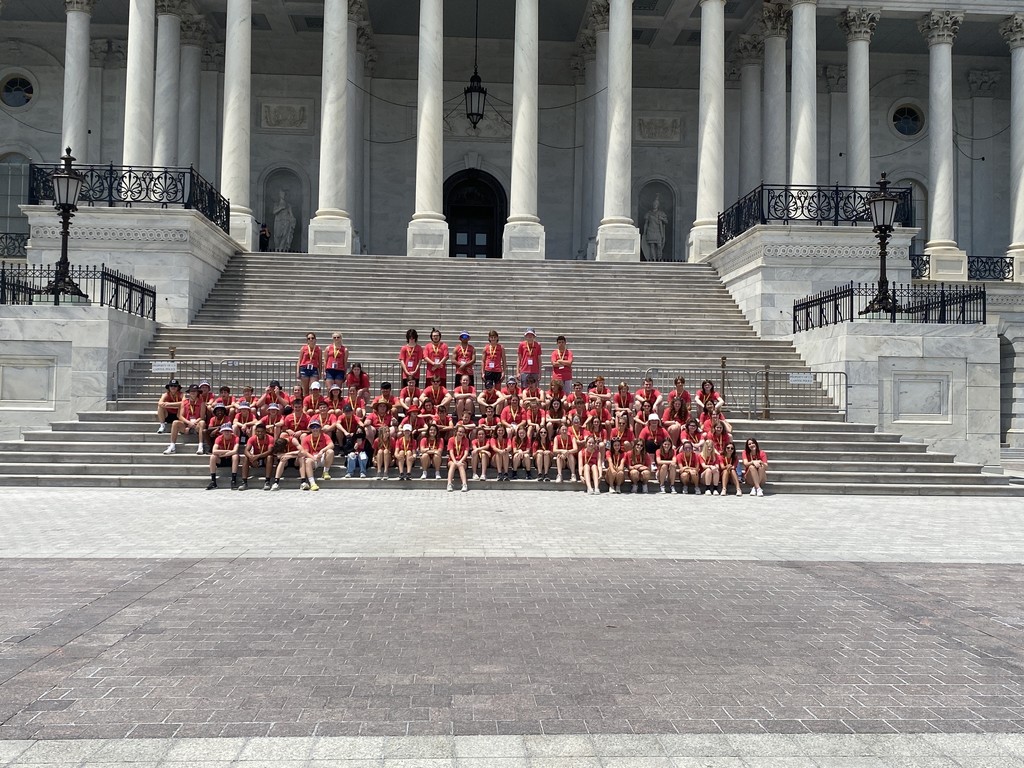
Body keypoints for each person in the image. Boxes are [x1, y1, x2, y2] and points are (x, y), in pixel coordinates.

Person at [164, 384, 207, 455]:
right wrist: (188, 423)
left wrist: (192, 425)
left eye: (195, 391)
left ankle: (200, 446)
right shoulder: (184, 402)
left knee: (202, 422)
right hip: (186, 424)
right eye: (191, 391)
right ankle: (172, 446)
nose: (193, 392)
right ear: (189, 392)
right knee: (175, 422)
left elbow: (202, 417)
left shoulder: (202, 403)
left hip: (196, 425)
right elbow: (180, 416)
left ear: (197, 393)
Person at [240, 422, 275, 491]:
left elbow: (269, 451)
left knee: (270, 457)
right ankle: (244, 482)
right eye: (258, 431)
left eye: (262, 432)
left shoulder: (270, 438)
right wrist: (251, 458)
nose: (260, 433)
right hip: (255, 458)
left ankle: (267, 481)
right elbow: (246, 450)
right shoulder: (252, 438)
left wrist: (257, 456)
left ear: (265, 432)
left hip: (264, 457)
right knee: (246, 458)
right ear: (255, 431)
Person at [300, 421, 334, 488]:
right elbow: (305, 452)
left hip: (322, 457)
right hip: (312, 457)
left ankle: (325, 472)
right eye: (313, 427)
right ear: (310, 429)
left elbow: (331, 445)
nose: (315, 429)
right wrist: (313, 458)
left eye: (317, 427)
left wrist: (322, 451)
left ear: (320, 428)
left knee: (330, 451)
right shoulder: (306, 438)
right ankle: (312, 483)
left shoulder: (325, 436)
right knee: (307, 461)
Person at [206, 424, 240, 490]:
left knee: (235, 456)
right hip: (222, 460)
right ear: (222, 432)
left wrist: (224, 454)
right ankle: (213, 481)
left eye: (228, 430)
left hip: (231, 459)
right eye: (225, 431)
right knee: (213, 457)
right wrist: (228, 451)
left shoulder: (236, 438)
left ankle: (233, 480)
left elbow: (235, 451)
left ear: (231, 431)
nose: (226, 432)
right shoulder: (219, 438)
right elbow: (214, 451)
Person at [642, 193, 668, 262]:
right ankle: (653, 259)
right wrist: (644, 233)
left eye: (656, 204)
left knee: (659, 245)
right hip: (650, 230)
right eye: (654, 204)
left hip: (658, 231)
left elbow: (666, 221)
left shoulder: (661, 213)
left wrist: (662, 219)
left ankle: (659, 258)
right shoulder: (649, 213)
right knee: (652, 246)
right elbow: (646, 224)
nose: (655, 205)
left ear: (658, 205)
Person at [446, 424, 471, 492]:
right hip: (452, 460)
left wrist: (460, 461)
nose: (461, 433)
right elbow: (451, 452)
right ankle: (449, 484)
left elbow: (466, 453)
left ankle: (464, 484)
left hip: (462, 460)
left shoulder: (466, 440)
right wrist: (454, 461)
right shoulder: (451, 439)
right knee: (453, 464)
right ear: (456, 432)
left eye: (463, 432)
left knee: (460, 465)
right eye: (460, 431)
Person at [296, 332, 321, 396]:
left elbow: (320, 361)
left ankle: (313, 403)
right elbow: (299, 360)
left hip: (314, 369)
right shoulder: (303, 348)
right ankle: (306, 403)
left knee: (313, 388)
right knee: (305, 389)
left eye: (312, 338)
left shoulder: (318, 349)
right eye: (309, 338)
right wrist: (298, 372)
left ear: (315, 339)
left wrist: (320, 373)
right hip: (304, 368)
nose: (311, 339)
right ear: (307, 340)